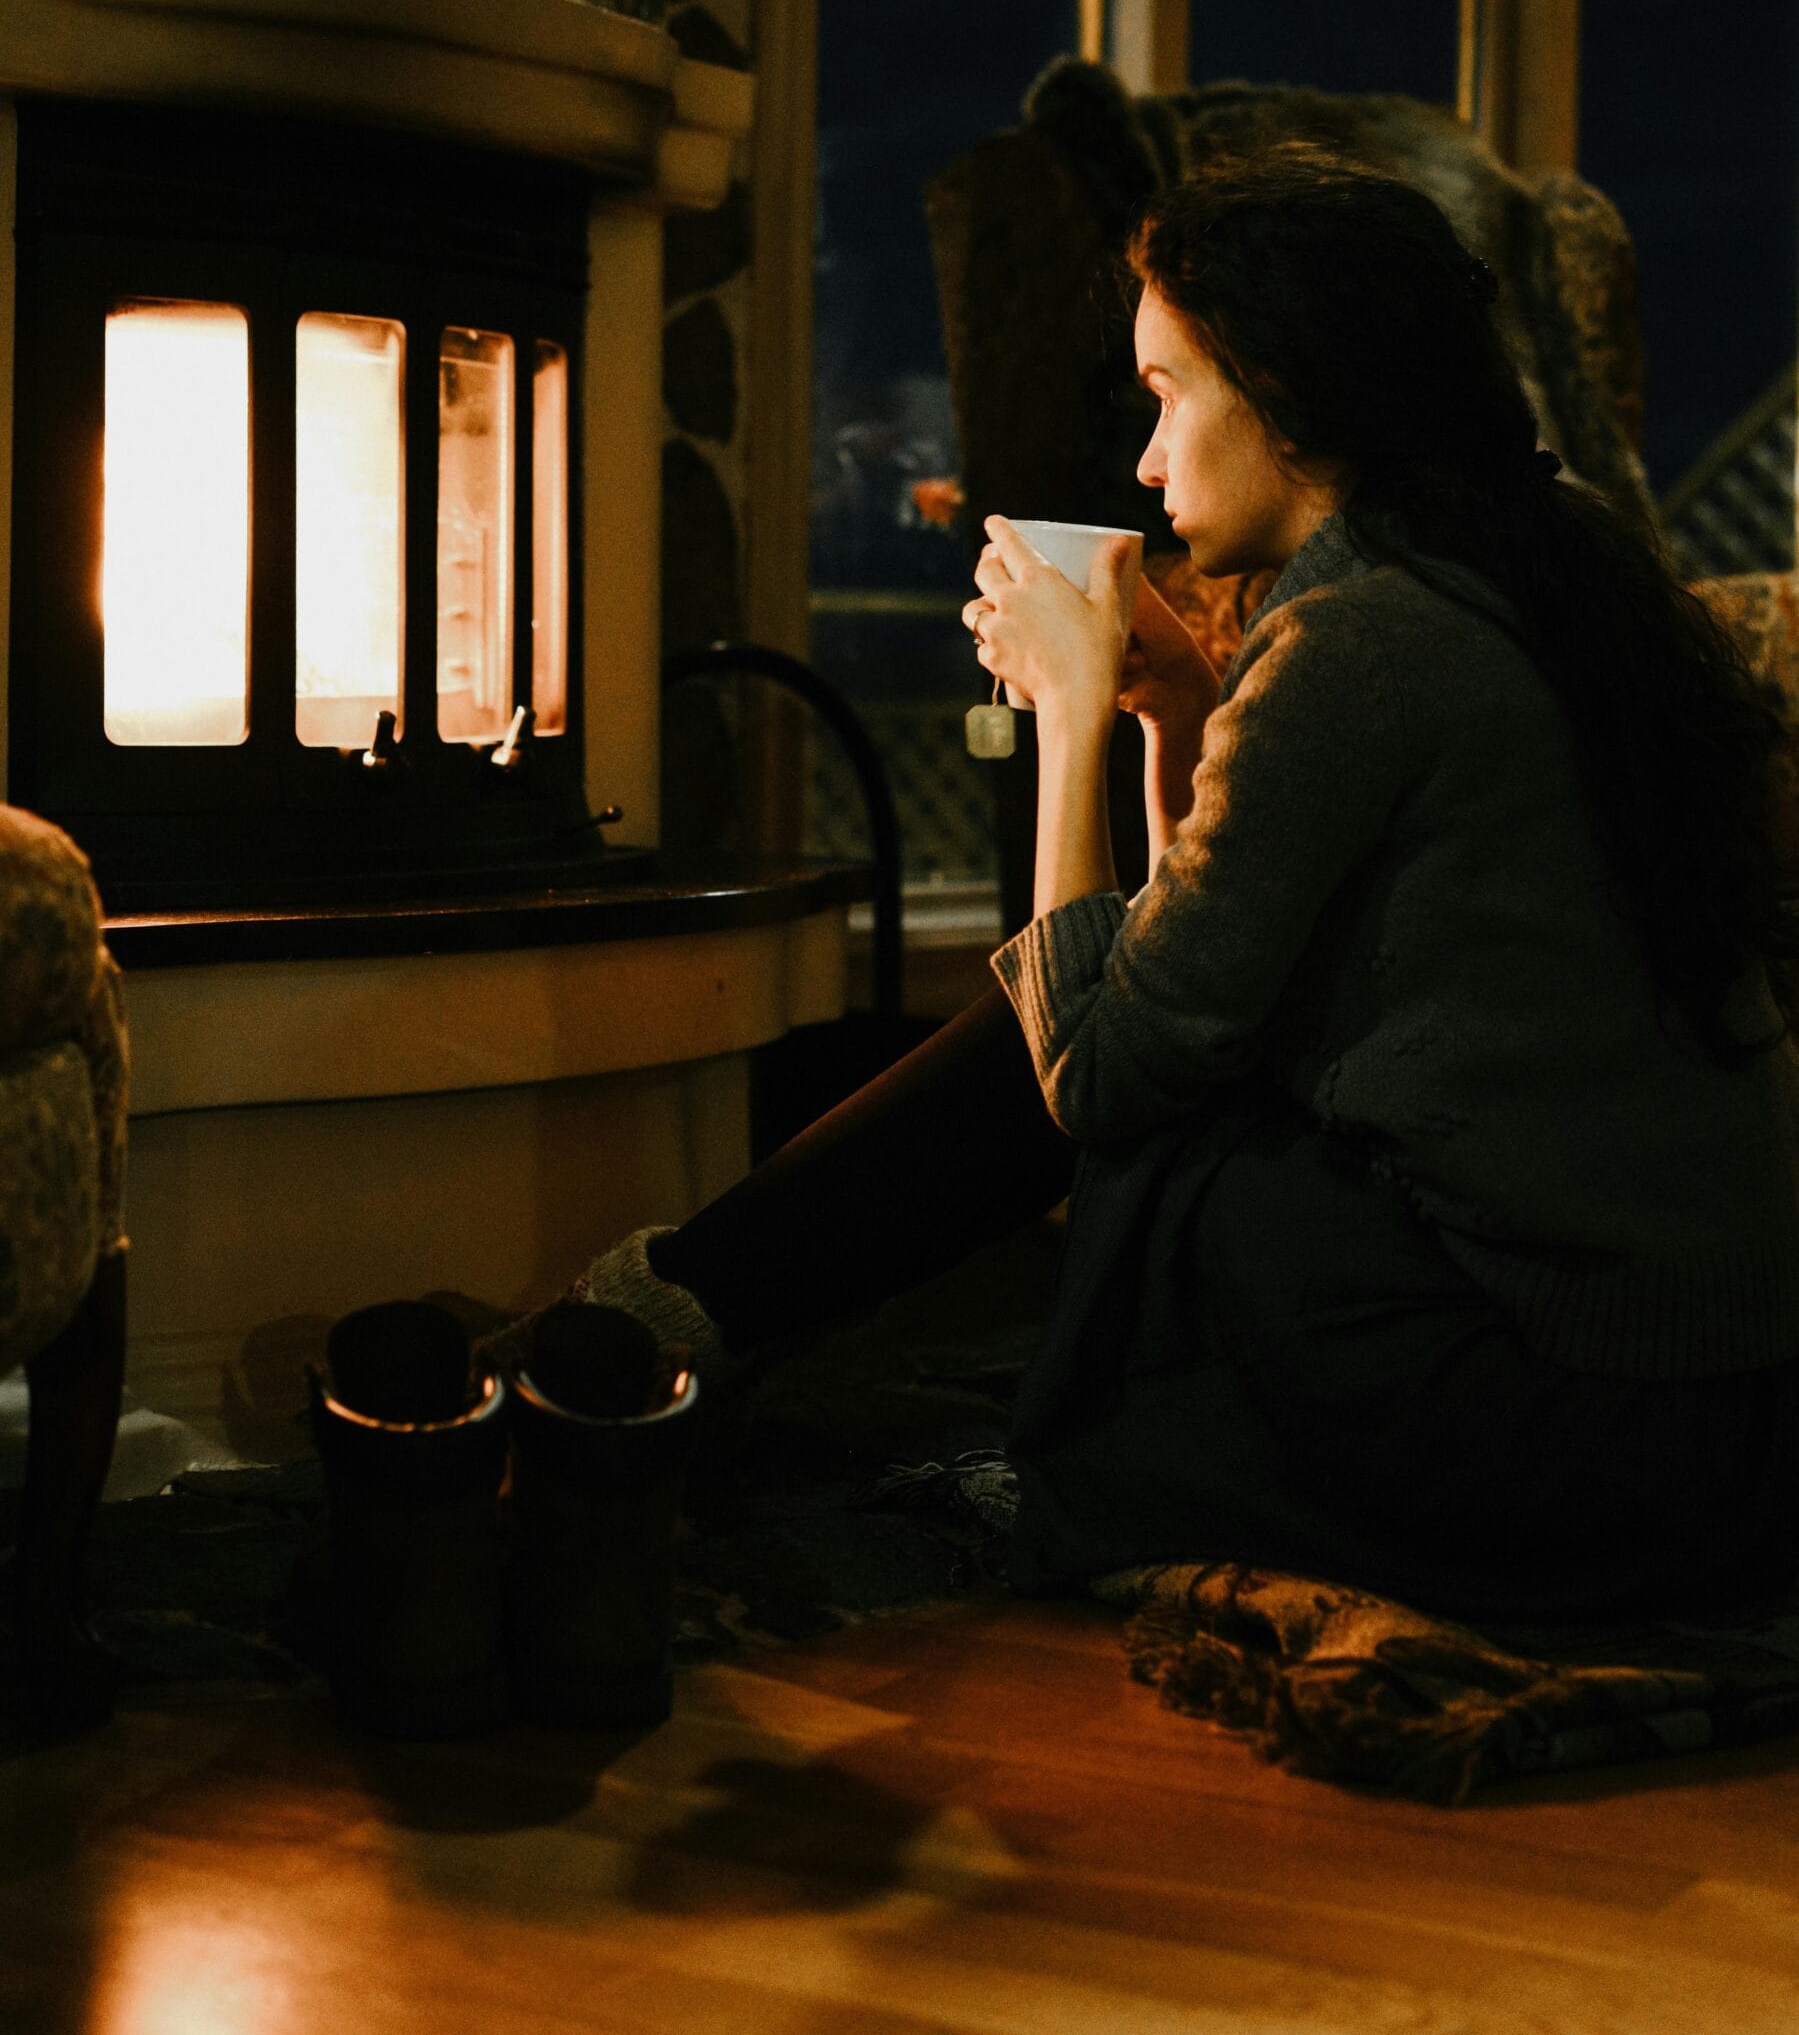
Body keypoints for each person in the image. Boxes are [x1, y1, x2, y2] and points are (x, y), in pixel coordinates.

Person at [571, 146, 1799, 1622]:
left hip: (1569, 1404)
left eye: (1167, 393)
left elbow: (1105, 1072)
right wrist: (1177, 708)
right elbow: (1197, 960)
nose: (1147, 461)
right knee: (1152, 1041)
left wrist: (1073, 717)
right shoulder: (1558, 555)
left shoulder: (1363, 640)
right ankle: (687, 1309)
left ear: (1280, 388)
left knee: (1178, 1151)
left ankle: (667, 1322)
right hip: (1728, 1376)